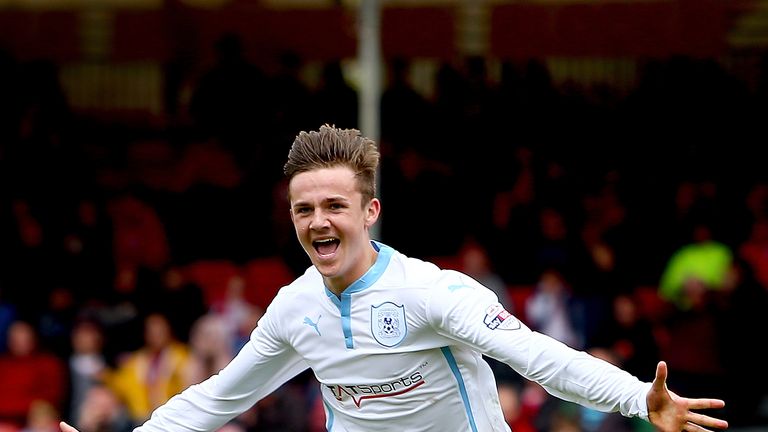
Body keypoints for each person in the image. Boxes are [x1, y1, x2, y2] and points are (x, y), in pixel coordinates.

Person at [61, 125, 728, 432]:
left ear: (370, 212)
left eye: (333, 206)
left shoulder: (429, 292)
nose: (318, 222)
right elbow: (216, 399)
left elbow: (537, 357)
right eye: (304, 209)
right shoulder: (294, 310)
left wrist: (639, 398)